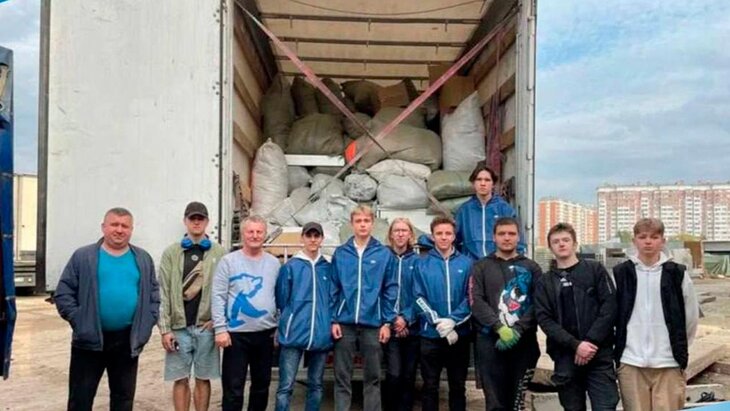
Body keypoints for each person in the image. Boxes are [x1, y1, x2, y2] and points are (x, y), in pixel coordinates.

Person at [55, 207, 160, 411]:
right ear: (103, 227)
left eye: (125, 226)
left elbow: (153, 294)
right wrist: (80, 321)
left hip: (127, 340)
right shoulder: (83, 256)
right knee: (80, 398)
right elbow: (64, 292)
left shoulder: (143, 259)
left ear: (131, 230)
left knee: (123, 400)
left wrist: (147, 324)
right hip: (89, 340)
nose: (119, 230)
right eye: (114, 224)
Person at [613, 218, 700, 411]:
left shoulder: (677, 274)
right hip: (631, 362)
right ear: (634, 241)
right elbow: (612, 315)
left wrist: (678, 349)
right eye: (642, 237)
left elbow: (690, 317)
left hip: (668, 363)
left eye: (654, 237)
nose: (648, 242)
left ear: (663, 241)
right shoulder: (621, 274)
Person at [534, 223, 619, 411]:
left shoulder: (595, 270)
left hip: (598, 354)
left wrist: (590, 342)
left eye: (566, 240)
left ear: (575, 244)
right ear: (550, 247)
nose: (561, 244)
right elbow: (545, 319)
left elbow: (610, 307)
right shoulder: (545, 282)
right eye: (556, 241)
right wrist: (575, 345)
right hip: (565, 357)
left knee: (605, 406)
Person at [158, 202, 227, 411]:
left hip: (205, 327)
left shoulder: (219, 253)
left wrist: (217, 320)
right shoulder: (171, 253)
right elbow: (162, 292)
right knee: (180, 378)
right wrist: (165, 329)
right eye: (192, 219)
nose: (196, 222)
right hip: (178, 328)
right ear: (185, 221)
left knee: (203, 378)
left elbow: (227, 290)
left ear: (207, 222)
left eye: (200, 219)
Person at [470, 217, 542, 411]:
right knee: (495, 401)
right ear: (494, 237)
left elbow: (539, 303)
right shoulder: (481, 266)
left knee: (517, 401)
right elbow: (475, 300)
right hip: (490, 341)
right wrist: (498, 327)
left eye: (511, 233)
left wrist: (518, 329)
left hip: (524, 341)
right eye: (502, 234)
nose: (507, 238)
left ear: (519, 237)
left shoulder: (531, 267)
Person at [330, 205, 398, 411]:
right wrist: (333, 319)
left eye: (366, 221)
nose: (362, 225)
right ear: (352, 224)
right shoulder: (341, 253)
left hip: (373, 323)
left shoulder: (383, 254)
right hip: (345, 323)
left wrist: (387, 322)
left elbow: (390, 288)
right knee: (342, 376)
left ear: (372, 223)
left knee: (373, 377)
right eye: (358, 221)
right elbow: (333, 287)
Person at [211, 215, 280, 411]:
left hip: (265, 333)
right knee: (233, 388)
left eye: (259, 232)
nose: (255, 236)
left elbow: (279, 296)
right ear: (242, 234)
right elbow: (218, 296)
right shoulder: (228, 262)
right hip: (236, 336)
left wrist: (279, 326)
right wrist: (220, 329)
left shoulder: (274, 263)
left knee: (261, 386)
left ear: (265, 235)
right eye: (250, 231)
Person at [414, 215, 473, 411]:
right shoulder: (422, 263)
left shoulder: (467, 263)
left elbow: (471, 296)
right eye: (439, 233)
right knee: (430, 386)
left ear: (454, 236)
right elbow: (418, 297)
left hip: (459, 335)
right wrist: (438, 322)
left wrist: (453, 321)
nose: (444, 237)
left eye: (448, 233)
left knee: (458, 386)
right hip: (430, 336)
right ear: (432, 236)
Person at [274, 222, 333, 411]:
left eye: (317, 236)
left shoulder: (328, 267)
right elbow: (282, 299)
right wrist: (288, 322)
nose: (313, 240)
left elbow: (333, 297)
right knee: (285, 386)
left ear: (322, 239)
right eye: (309, 235)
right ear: (302, 238)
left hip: (321, 334)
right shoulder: (290, 267)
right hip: (294, 333)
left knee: (316, 385)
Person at [382, 218, 421, 411]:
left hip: (412, 326)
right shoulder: (383, 258)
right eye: (396, 230)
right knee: (394, 373)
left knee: (409, 375)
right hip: (389, 327)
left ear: (410, 235)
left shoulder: (418, 262)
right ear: (390, 234)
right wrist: (393, 319)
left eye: (404, 230)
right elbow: (378, 291)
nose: (400, 234)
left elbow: (420, 293)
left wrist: (406, 318)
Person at [454, 161, 525, 260]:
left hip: (499, 263)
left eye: (487, 180)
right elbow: (453, 240)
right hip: (472, 265)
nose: (483, 183)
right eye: (479, 179)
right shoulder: (464, 210)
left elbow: (518, 241)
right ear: (473, 183)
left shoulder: (505, 209)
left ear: (493, 184)